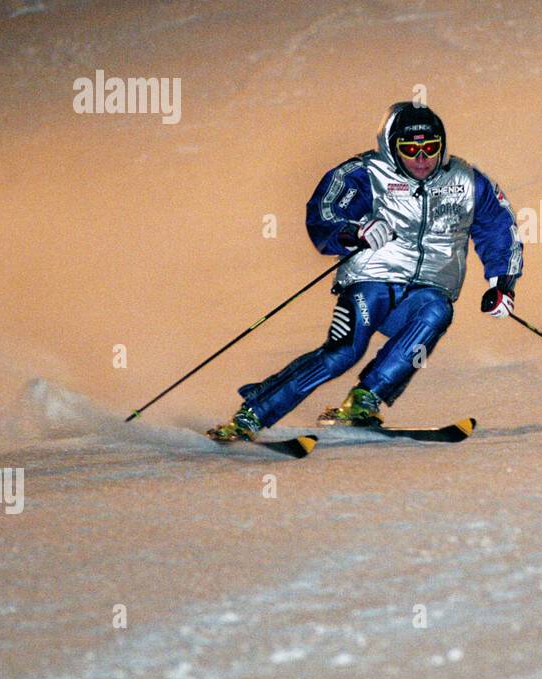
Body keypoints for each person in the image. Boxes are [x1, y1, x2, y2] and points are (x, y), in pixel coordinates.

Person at [207, 101, 523, 440]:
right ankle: (252, 414)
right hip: (370, 282)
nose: (421, 158)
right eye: (410, 149)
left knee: (438, 311)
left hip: (427, 291)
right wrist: (355, 230)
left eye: (430, 148)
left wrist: (502, 283)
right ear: (392, 147)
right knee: (344, 352)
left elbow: (498, 226)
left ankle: (364, 400)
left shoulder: (466, 181)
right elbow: (323, 212)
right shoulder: (365, 173)